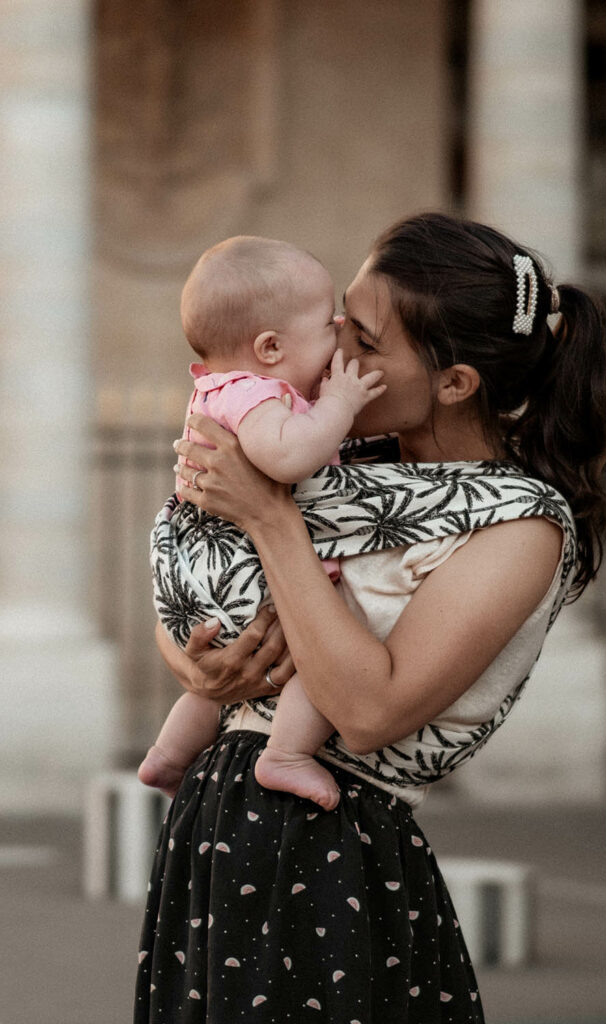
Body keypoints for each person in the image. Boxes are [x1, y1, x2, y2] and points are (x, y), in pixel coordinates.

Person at [135, 212, 606, 1024]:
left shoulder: (518, 523)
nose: (331, 354)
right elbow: (193, 581)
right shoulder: (332, 455)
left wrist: (271, 519)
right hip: (217, 825)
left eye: (360, 338)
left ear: (455, 382)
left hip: (324, 846)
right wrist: (200, 667)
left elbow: (365, 713)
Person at [139, 235, 385, 809]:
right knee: (323, 646)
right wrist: (340, 404)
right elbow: (290, 457)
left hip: (208, 568)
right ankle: (287, 754)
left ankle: (169, 757)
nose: (343, 326)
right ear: (270, 347)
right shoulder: (253, 394)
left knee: (223, 678)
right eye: (329, 322)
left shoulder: (224, 388)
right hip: (245, 567)